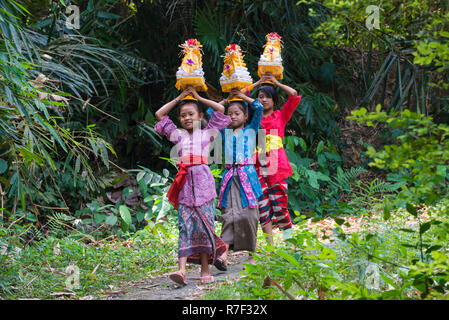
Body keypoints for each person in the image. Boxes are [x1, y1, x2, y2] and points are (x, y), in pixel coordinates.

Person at [154, 86, 231, 285]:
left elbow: (220, 110)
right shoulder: (177, 135)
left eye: (191, 114)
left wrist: (197, 97)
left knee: (204, 228)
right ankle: (181, 271)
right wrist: (179, 97)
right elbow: (160, 114)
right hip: (184, 187)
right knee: (185, 228)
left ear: (199, 117)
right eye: (182, 115)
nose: (187, 118)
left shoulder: (207, 134)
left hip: (204, 188)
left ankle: (205, 270)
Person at [206, 88, 264, 269]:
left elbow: (258, 107)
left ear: (246, 116)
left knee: (249, 215)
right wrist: (226, 101)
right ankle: (223, 256)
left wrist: (242, 97)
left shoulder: (252, 129)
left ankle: (252, 253)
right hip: (230, 178)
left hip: (247, 177)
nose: (232, 117)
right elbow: (210, 113)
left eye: (237, 113)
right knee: (228, 216)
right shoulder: (224, 132)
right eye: (230, 114)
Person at [250, 72, 302, 244]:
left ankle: (290, 241)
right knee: (262, 205)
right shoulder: (254, 117)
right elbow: (240, 95)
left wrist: (275, 83)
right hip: (258, 163)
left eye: (267, 97)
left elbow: (293, 94)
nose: (263, 100)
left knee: (280, 203)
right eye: (260, 97)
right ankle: (270, 246)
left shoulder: (281, 115)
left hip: (276, 163)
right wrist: (258, 82)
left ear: (274, 100)